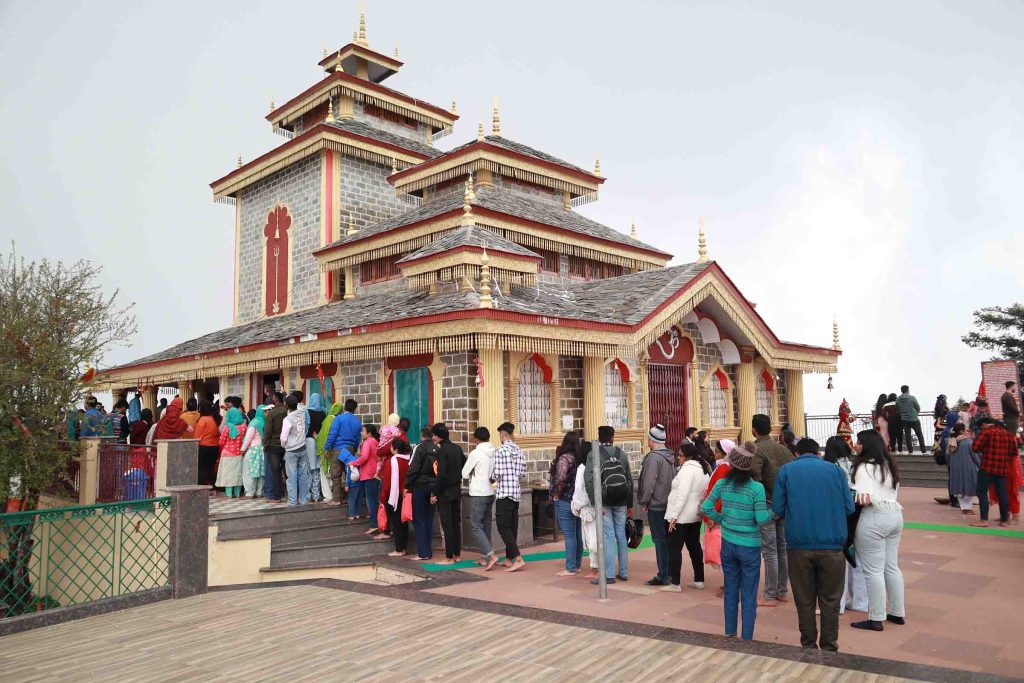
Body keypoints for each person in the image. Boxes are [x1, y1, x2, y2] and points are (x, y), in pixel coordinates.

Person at [773, 437, 854, 651]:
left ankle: (808, 643)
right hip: (832, 545)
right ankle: (829, 646)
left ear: (797, 453)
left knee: (804, 599)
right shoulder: (836, 472)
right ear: (818, 453)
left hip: (798, 545)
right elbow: (849, 507)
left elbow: (779, 508)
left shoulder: (787, 471)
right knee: (830, 600)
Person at [700, 441, 771, 641]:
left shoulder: (723, 484)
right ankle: (746, 636)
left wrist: (723, 519)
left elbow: (706, 507)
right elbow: (761, 519)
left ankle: (729, 632)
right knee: (749, 594)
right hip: (750, 547)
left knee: (731, 591)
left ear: (731, 464)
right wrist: (772, 512)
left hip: (728, 543)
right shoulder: (757, 489)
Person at [850, 429, 906, 631]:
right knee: (891, 566)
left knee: (872, 570)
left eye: (858, 442)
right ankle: (897, 612)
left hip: (874, 516)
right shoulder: (888, 465)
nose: (855, 445)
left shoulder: (864, 467)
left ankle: (876, 617)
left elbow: (863, 498)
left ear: (867, 445)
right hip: (895, 514)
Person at [751, 413, 793, 607]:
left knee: (769, 551)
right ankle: (782, 591)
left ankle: (769, 594)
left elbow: (755, 477)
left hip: (767, 503)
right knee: (782, 548)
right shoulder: (783, 449)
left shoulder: (757, 449)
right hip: (784, 503)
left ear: (753, 429)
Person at [823, 436, 867, 615]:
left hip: (837, 517)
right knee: (857, 560)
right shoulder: (856, 466)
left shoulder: (829, 469)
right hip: (858, 516)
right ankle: (860, 602)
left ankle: (837, 603)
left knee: (837, 562)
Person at [584, 426, 634, 585]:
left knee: (608, 535)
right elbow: (629, 481)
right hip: (621, 500)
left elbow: (589, 480)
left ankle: (609, 575)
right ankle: (624, 572)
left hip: (604, 501)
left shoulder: (593, 454)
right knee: (621, 534)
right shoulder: (622, 454)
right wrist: (630, 504)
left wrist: (594, 500)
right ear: (613, 437)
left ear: (599, 438)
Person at [663, 443, 711, 593]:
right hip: (695, 515)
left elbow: (682, 495)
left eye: (680, 455)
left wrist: (674, 516)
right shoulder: (703, 470)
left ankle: (675, 582)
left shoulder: (687, 470)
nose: (678, 458)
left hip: (681, 516)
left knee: (674, 549)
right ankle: (699, 579)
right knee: (694, 547)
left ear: (688, 456)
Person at [638, 423, 677, 586]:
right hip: (669, 503)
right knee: (667, 540)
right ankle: (670, 571)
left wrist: (645, 500)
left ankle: (663, 574)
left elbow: (648, 483)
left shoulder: (653, 458)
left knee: (659, 540)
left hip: (656, 504)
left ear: (651, 440)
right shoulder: (669, 456)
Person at [431, 423, 467, 564]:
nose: (433, 437)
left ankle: (449, 557)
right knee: (455, 523)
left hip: (445, 492)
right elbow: (465, 465)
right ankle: (457, 555)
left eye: (434, 435)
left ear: (439, 436)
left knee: (447, 525)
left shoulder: (442, 451)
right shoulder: (457, 448)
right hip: (456, 489)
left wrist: (435, 493)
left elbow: (441, 475)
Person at [971, 416, 1016, 527]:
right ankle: (1004, 520)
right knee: (1002, 494)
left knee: (981, 492)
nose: (981, 429)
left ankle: (984, 520)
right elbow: (1014, 452)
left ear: (985, 424)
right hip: (1002, 469)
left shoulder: (986, 433)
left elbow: (975, 448)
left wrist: (984, 448)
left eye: (981, 427)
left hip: (987, 467)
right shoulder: (1008, 434)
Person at [464, 427, 498, 569]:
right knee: (486, 525)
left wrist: (472, 474)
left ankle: (490, 555)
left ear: (476, 439)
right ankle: (484, 557)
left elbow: (464, 473)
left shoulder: (476, 453)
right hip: (491, 492)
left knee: (476, 526)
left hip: (478, 493)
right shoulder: (495, 451)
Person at [549, 431, 581, 576]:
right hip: (578, 500)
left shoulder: (564, 459)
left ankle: (570, 567)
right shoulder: (579, 458)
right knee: (577, 534)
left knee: (569, 535)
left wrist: (555, 494)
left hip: (565, 499)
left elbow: (560, 478)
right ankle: (577, 563)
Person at [406, 426, 438, 561]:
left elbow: (413, 468)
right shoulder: (438, 449)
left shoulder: (419, 448)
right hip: (433, 487)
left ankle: (423, 553)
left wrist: (407, 485)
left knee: (419, 520)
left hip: (420, 486)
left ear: (422, 435)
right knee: (429, 519)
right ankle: (428, 550)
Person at [323, 399, 362, 505]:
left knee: (336, 475)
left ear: (345, 407)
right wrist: (353, 449)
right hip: (350, 449)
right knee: (350, 474)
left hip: (338, 449)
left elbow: (332, 434)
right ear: (355, 409)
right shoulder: (357, 421)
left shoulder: (339, 418)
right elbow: (358, 438)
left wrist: (327, 448)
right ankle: (349, 499)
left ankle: (337, 499)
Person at [571, 442, 599, 578]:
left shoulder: (581, 469)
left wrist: (576, 505)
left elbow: (578, 490)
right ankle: (595, 567)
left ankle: (596, 568)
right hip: (596, 506)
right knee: (592, 539)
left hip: (587, 508)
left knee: (591, 540)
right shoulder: (597, 466)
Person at [381, 438, 412, 557]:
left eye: (391, 447)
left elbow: (387, 482)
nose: (390, 449)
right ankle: (404, 547)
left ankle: (399, 549)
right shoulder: (408, 460)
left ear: (396, 449)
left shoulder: (393, 461)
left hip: (393, 496)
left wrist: (383, 498)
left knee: (396, 523)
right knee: (403, 523)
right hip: (404, 495)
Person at [349, 424, 380, 525]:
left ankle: (373, 523)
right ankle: (376, 521)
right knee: (374, 499)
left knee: (370, 500)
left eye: (363, 431)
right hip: (374, 472)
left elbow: (364, 457)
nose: (361, 433)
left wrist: (354, 463)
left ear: (369, 433)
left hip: (368, 473)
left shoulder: (367, 442)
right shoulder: (375, 441)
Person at [946, 424, 979, 514]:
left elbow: (948, 456)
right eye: (965, 430)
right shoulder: (968, 442)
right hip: (968, 468)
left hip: (955, 469)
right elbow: (975, 455)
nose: (966, 431)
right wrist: (979, 464)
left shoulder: (951, 442)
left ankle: (964, 508)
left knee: (959, 488)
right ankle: (968, 508)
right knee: (968, 487)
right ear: (961, 431)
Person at [262, 392, 287, 503]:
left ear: (275, 399)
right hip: (287, 445)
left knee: (275, 471)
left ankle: (277, 496)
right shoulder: (288, 411)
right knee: (287, 471)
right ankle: (289, 494)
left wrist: (265, 444)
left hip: (274, 445)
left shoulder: (272, 413)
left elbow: (267, 431)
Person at [315, 401, 343, 504]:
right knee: (335, 473)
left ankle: (328, 495)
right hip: (336, 449)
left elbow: (325, 435)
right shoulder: (339, 419)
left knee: (325, 472)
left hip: (326, 450)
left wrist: (325, 447)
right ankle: (334, 495)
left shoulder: (329, 419)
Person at [216, 407, 247, 498]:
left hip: (227, 454)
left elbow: (221, 441)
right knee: (238, 475)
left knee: (228, 475)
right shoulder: (244, 426)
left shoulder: (227, 427)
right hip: (239, 454)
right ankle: (237, 494)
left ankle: (229, 495)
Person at [305, 393, 327, 503]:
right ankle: (316, 495)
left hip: (309, 441)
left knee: (309, 468)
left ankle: (307, 495)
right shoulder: (323, 413)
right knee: (317, 468)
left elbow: (306, 427)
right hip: (319, 441)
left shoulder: (307, 412)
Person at [195, 400, 221, 491]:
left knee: (201, 467)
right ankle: (214, 484)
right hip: (214, 446)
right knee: (210, 467)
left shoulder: (203, 420)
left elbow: (197, 435)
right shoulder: (213, 418)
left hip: (204, 446)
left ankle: (201, 486)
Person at [241, 407, 266, 498]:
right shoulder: (266, 421)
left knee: (250, 471)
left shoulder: (254, 422)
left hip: (253, 449)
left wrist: (243, 449)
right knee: (260, 472)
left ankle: (250, 492)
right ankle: (260, 492)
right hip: (262, 450)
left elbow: (248, 438)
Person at [896, 385, 925, 454]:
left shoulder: (898, 399)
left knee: (908, 436)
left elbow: (898, 409)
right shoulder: (912, 398)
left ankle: (910, 452)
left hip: (904, 419)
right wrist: (915, 413)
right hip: (914, 419)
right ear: (907, 390)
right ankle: (923, 451)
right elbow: (918, 408)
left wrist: (902, 414)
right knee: (919, 435)